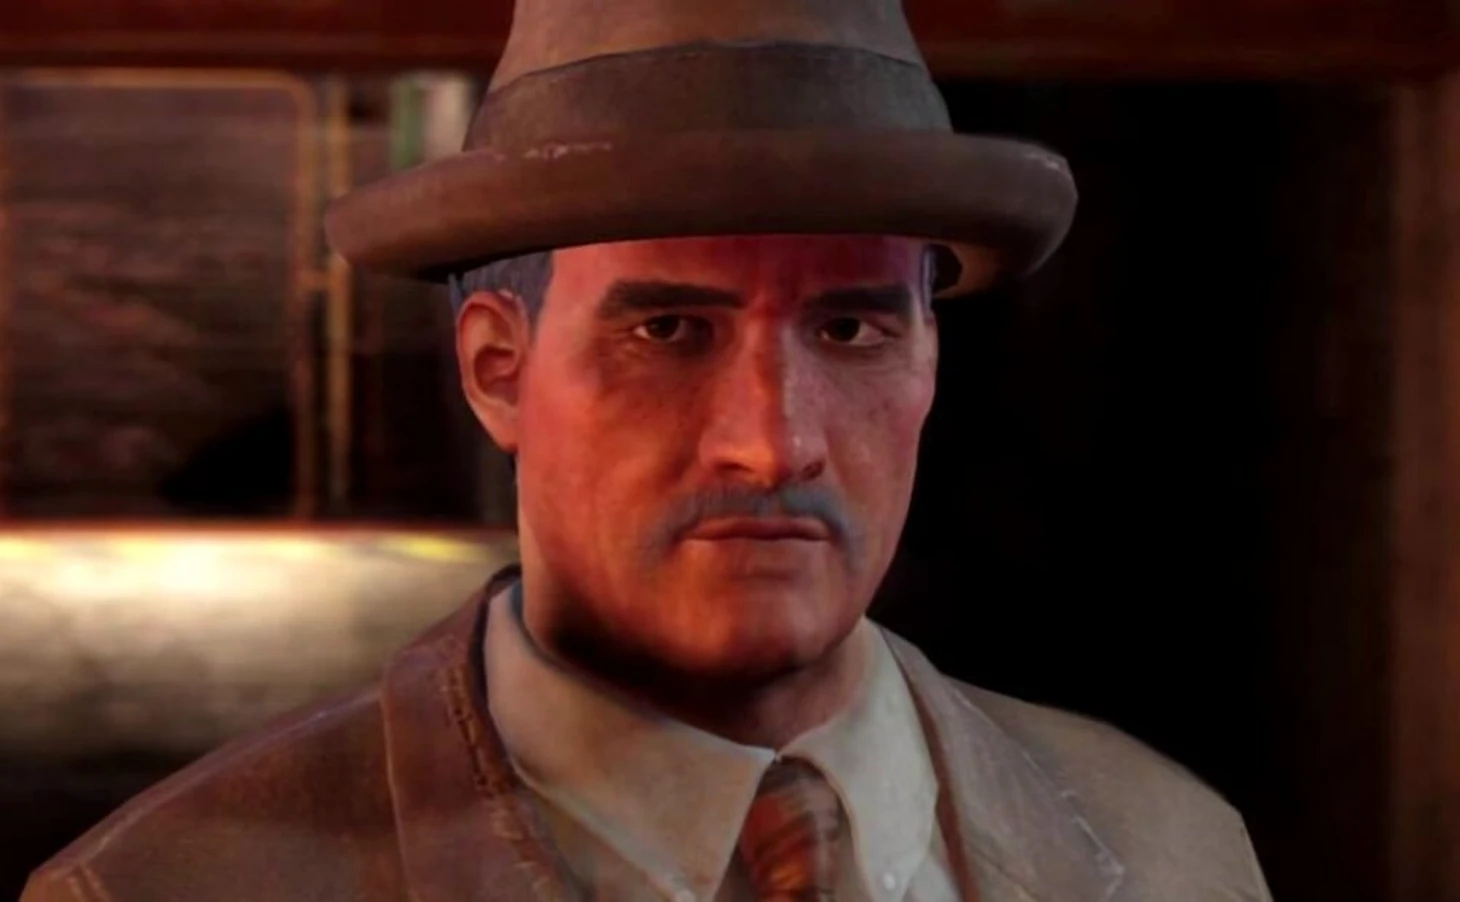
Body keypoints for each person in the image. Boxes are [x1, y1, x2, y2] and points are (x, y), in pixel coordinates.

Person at [23, 0, 1274, 899]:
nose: (771, 441)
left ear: (930, 360)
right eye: (669, 330)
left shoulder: (1167, 849)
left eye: (849, 328)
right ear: (495, 368)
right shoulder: (168, 883)